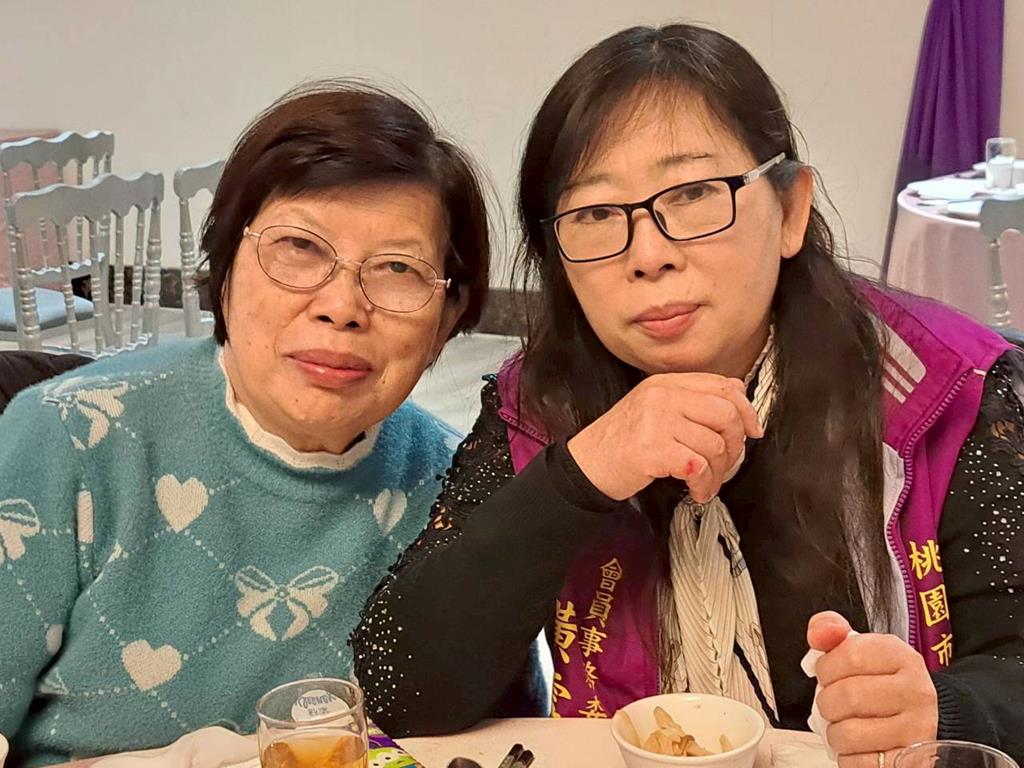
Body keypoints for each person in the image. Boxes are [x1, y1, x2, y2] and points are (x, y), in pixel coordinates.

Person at [352, 24, 1024, 766]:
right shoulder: (537, 408)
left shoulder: (948, 389)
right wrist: (580, 474)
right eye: (595, 214)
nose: (649, 255)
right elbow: (403, 689)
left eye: (696, 194)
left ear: (791, 210)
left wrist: (944, 710)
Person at [0, 80, 490, 766]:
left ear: (448, 317)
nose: (341, 306)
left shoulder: (455, 489)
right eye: (300, 248)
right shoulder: (63, 440)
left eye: (398, 269)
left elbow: (493, 738)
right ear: (225, 268)